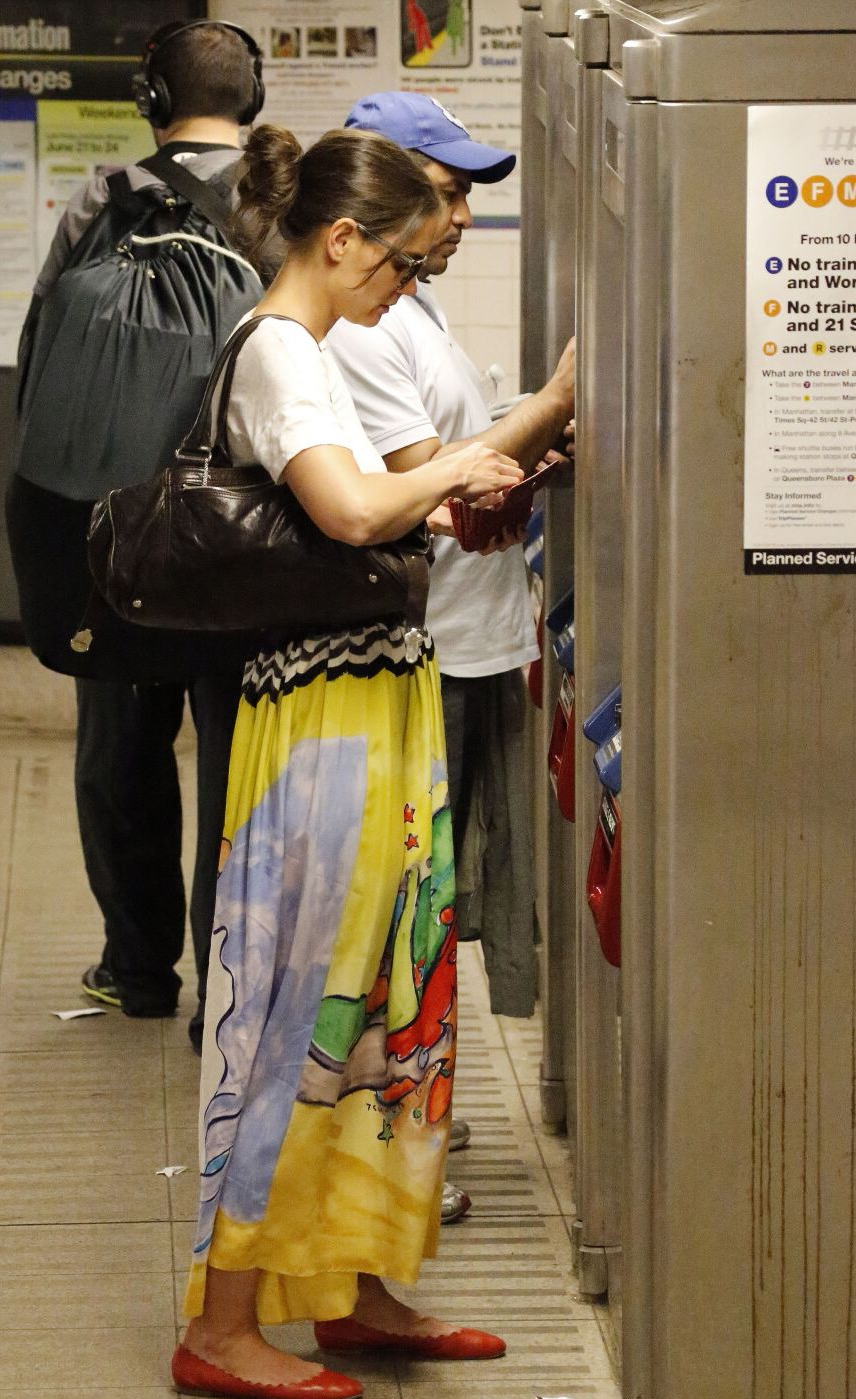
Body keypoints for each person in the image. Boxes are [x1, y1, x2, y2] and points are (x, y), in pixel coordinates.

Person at [171, 125, 524, 1399]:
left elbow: (377, 495)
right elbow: (346, 510)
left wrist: (462, 472)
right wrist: (476, 457)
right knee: (295, 1015)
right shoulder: (277, 353)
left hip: (368, 705)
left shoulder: (309, 352)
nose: (404, 293)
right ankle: (222, 1325)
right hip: (318, 726)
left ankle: (360, 1285)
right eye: (402, 267)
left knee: (385, 1007)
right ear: (342, 242)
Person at [5, 20, 268, 1045]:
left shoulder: (103, 199)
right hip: (239, 539)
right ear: (254, 96)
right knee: (237, 763)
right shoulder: (286, 199)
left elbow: (43, 364)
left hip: (116, 527)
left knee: (119, 743)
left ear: (152, 101)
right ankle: (227, 990)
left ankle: (135, 966)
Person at [327, 95, 576, 1127]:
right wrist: (554, 402)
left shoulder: (410, 307)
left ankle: (409, 1100)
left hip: (471, 640)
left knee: (436, 902)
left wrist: (517, 456)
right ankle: (385, 1113)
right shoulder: (361, 328)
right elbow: (425, 487)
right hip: (425, 646)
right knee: (404, 900)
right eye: (447, 189)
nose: (463, 215)